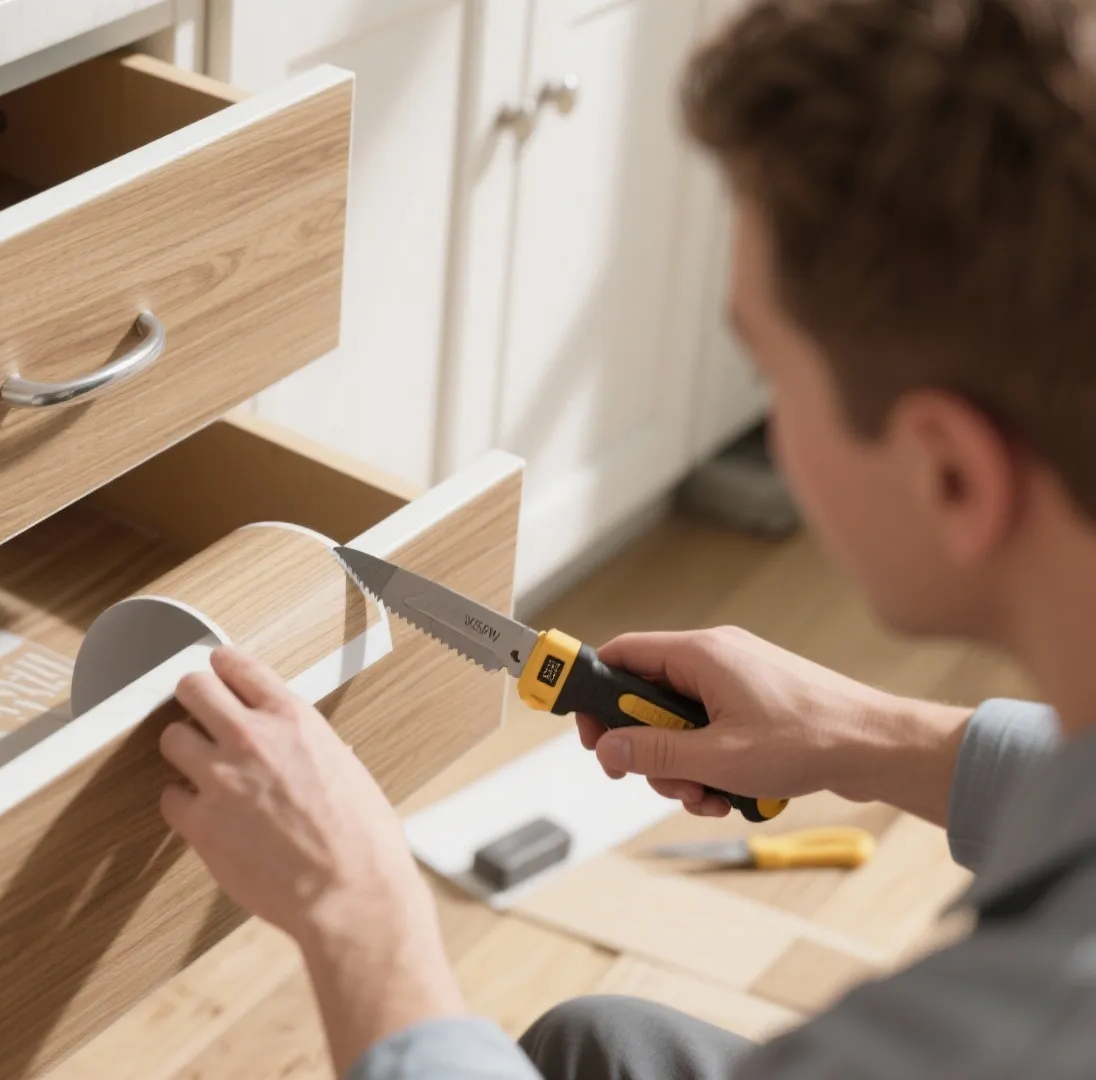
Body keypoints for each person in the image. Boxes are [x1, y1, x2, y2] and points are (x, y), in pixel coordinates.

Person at [154, 2, 1096, 1078]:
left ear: (950, 475)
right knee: (604, 1043)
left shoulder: (1013, 1033)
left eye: (769, 372)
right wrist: (870, 735)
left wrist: (354, 907)